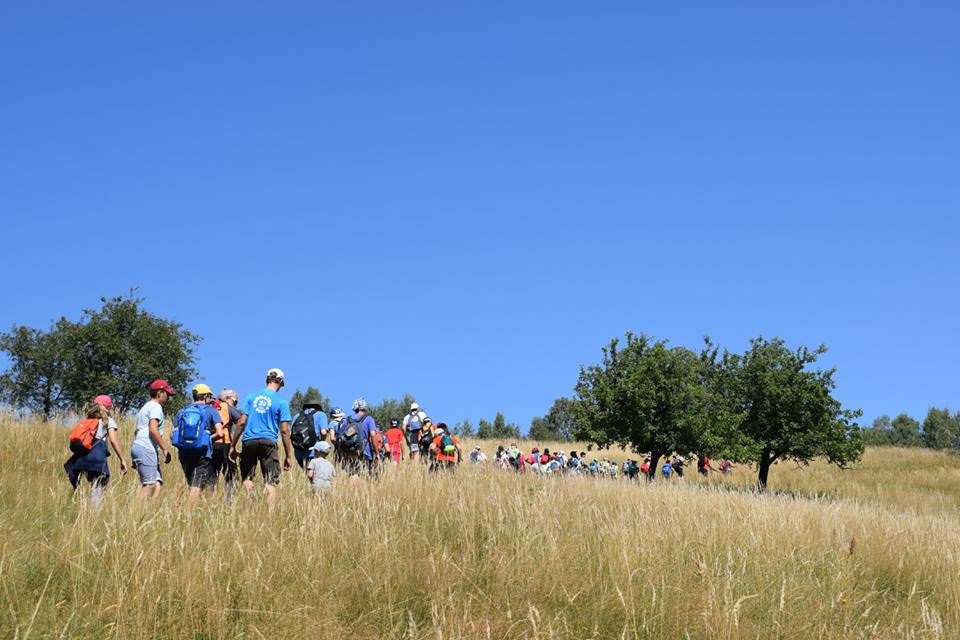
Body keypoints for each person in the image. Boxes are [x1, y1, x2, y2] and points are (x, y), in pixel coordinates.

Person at [231, 368, 293, 505]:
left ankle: (251, 506)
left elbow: (241, 422)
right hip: (268, 441)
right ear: (281, 382)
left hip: (249, 441)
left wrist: (232, 445)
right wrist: (289, 455)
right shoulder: (281, 402)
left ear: (267, 379)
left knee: (247, 478)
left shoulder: (251, 397)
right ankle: (269, 514)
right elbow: (284, 431)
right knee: (271, 480)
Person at [64, 395, 128, 507]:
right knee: (97, 489)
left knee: (81, 488)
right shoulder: (108, 421)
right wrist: (122, 460)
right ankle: (94, 517)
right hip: (97, 458)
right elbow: (113, 441)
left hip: (82, 458)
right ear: (108, 408)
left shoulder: (87, 420)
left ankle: (77, 508)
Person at [172, 384, 224, 502]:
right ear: (205, 396)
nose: (210, 399)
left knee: (191, 483)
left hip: (184, 452)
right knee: (196, 486)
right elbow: (220, 433)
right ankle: (189, 512)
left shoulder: (182, 411)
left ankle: (183, 506)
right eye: (210, 396)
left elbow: (172, 433)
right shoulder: (210, 410)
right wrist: (207, 439)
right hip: (202, 452)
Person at [131, 379, 176, 499]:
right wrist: (165, 449)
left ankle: (149, 512)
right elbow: (153, 429)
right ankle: (135, 512)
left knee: (157, 483)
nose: (168, 398)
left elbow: (137, 431)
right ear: (160, 392)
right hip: (146, 447)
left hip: (139, 446)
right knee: (149, 484)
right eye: (167, 394)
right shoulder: (156, 407)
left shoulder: (144, 407)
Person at [211, 388, 246, 499]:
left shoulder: (209, 407)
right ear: (226, 398)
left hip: (209, 443)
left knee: (212, 475)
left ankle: (210, 500)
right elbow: (241, 421)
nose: (236, 404)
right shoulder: (227, 407)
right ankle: (229, 502)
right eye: (235, 401)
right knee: (231, 474)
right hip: (224, 443)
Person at [334, 397, 380, 481]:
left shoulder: (347, 420)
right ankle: (359, 492)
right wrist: (377, 453)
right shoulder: (369, 419)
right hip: (364, 452)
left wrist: (342, 454)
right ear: (365, 408)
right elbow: (373, 435)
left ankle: (351, 493)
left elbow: (340, 439)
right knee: (364, 476)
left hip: (349, 453)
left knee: (353, 473)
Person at [290, 393, 329, 471]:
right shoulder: (321, 414)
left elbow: (291, 434)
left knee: (305, 474)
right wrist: (321, 443)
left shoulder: (297, 415)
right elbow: (324, 432)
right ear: (318, 406)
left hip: (299, 453)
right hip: (314, 451)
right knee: (315, 476)